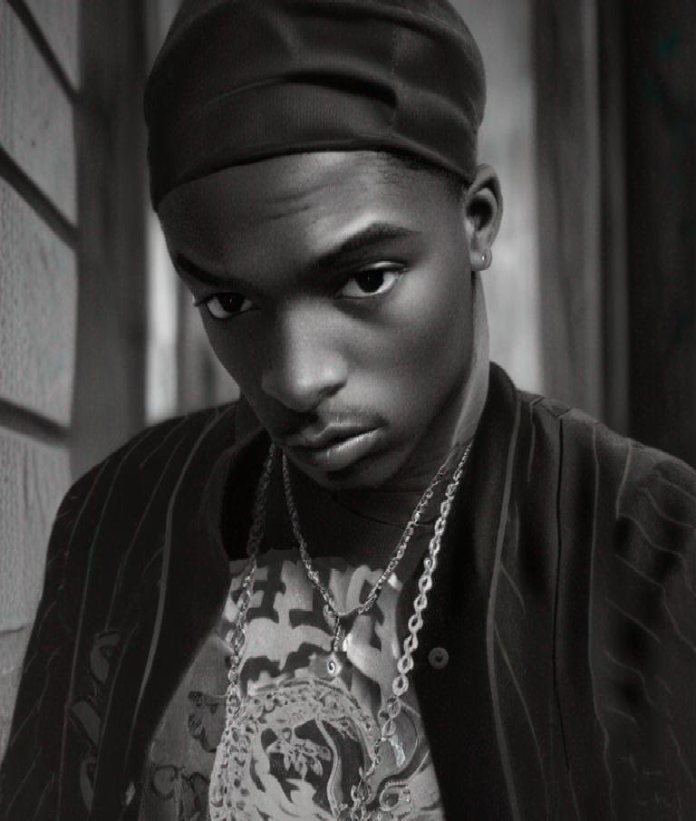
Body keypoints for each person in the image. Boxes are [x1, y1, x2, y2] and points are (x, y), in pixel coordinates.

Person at [1, 0, 696, 819]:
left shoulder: (650, 546)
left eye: (365, 279)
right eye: (229, 302)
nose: (295, 380)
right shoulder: (117, 516)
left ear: (476, 223)